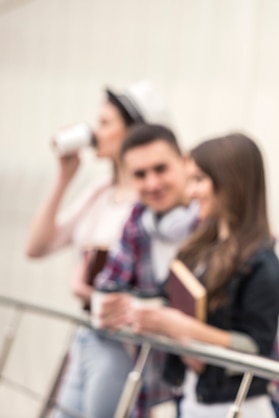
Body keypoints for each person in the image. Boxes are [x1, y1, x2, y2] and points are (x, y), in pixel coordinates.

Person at [24, 81, 170, 418]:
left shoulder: (148, 201)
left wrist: (88, 291)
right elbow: (37, 246)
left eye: (105, 123)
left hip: (122, 346)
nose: (94, 132)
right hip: (86, 335)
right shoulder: (100, 190)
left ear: (135, 131)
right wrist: (64, 177)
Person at [129, 133, 279, 418]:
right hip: (191, 400)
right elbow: (166, 300)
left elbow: (256, 351)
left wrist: (180, 327)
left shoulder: (264, 266)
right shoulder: (197, 248)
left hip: (238, 408)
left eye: (199, 180)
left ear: (230, 183)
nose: (190, 193)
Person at [93, 123, 198, 417]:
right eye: (140, 175)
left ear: (185, 163)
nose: (152, 183)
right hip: (157, 385)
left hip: (221, 392)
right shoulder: (137, 220)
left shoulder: (213, 218)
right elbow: (105, 296)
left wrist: (141, 307)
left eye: (160, 169)